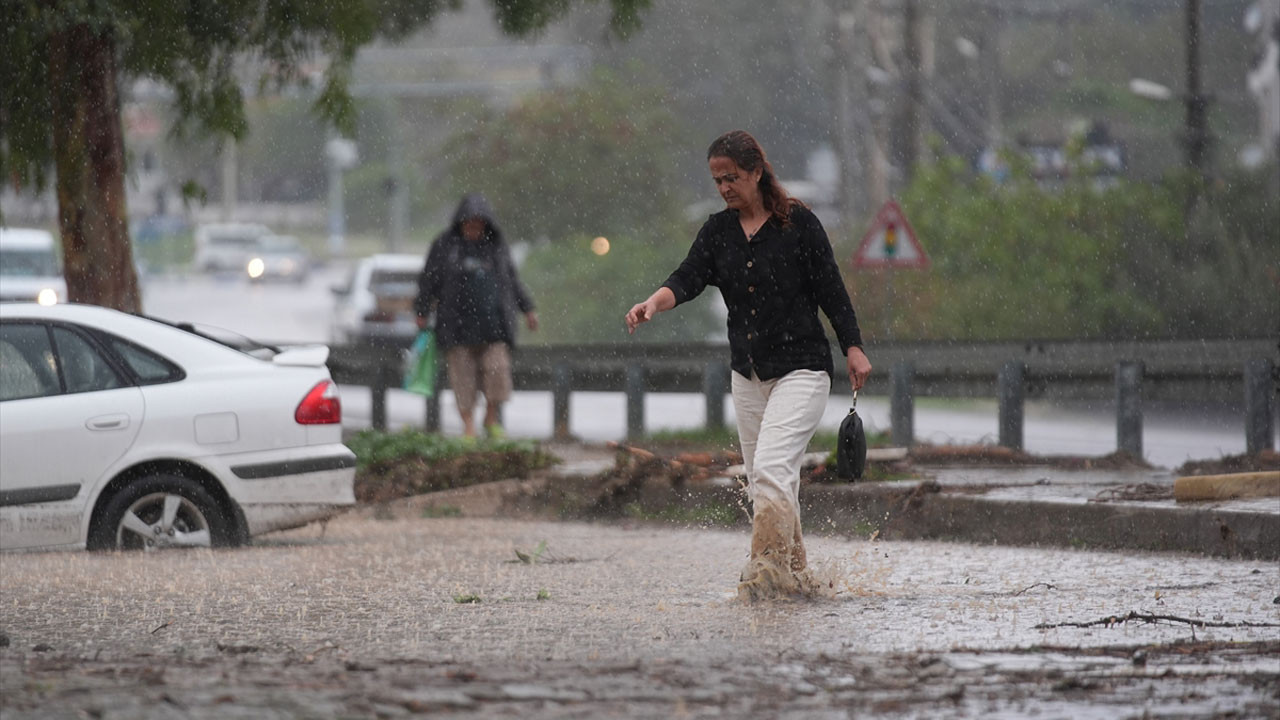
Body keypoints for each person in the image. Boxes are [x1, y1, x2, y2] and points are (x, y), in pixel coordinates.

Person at [625, 131, 872, 599]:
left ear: (757, 172)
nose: (724, 188)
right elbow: (687, 276)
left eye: (732, 177)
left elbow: (831, 290)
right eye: (717, 180)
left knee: (772, 471)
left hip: (802, 369)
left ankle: (762, 575)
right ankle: (797, 579)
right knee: (768, 486)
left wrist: (853, 346)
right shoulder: (718, 232)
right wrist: (653, 303)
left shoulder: (798, 224)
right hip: (749, 375)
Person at [415, 194, 538, 439]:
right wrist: (421, 310)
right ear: (460, 222)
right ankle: (468, 427)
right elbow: (428, 280)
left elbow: (512, 280)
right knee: (463, 380)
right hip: (456, 327)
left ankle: (490, 418)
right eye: (469, 223)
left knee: (497, 371)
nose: (473, 228)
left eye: (478, 223)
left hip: (494, 327)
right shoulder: (445, 245)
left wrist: (528, 309)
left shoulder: (496, 246)